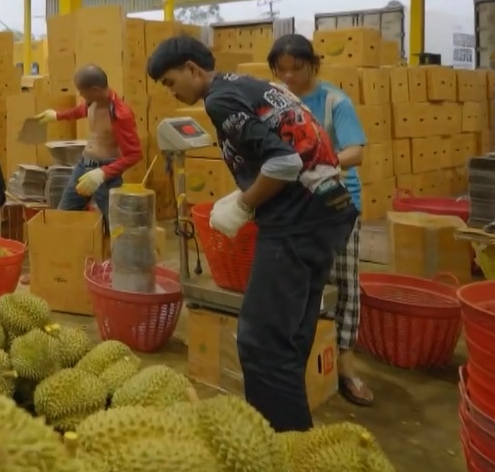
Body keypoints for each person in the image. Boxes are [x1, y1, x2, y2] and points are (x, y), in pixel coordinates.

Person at [147, 35, 357, 433]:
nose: (171, 90)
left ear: (193, 69)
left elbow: (284, 161)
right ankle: (298, 440)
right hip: (328, 215)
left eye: (171, 81)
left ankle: (281, 448)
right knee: (291, 337)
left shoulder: (219, 99)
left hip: (295, 224)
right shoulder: (252, 86)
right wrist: (248, 194)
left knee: (261, 343)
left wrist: (245, 204)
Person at [268, 34, 372, 407]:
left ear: (314, 64)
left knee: (344, 284)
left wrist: (314, 163)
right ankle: (305, 359)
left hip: (338, 204)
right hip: (296, 205)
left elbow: (355, 152)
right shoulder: (278, 101)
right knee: (304, 283)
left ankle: (345, 364)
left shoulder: (334, 101)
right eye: (282, 70)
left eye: (297, 68)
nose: (290, 76)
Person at [37, 65, 143, 231]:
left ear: (95, 89)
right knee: (65, 214)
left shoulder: (120, 114)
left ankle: (112, 256)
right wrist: (57, 115)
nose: (80, 95)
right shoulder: (91, 102)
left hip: (107, 174)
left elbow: (134, 154)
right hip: (83, 167)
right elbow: (79, 111)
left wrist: (103, 173)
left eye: (82, 91)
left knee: (116, 227)